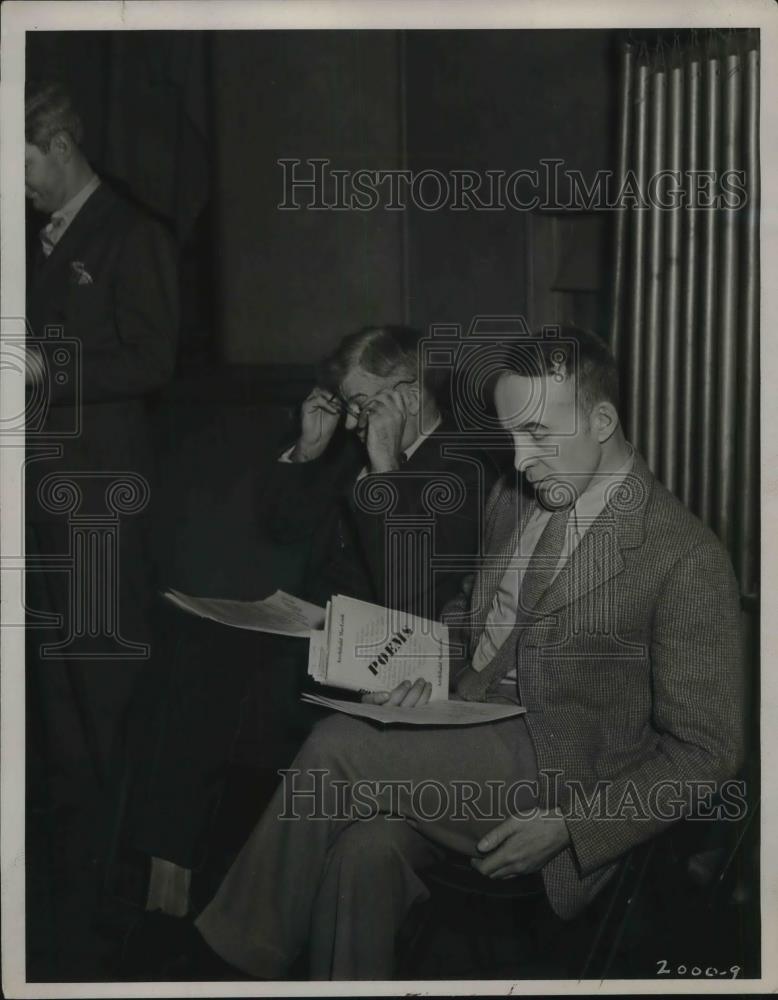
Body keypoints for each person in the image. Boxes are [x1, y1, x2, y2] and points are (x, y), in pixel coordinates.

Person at [193, 326, 745, 980]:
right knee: (363, 855)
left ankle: (225, 969)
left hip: (558, 780)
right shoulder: (519, 496)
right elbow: (467, 610)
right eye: (511, 435)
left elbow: (707, 751)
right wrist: (425, 678)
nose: (520, 456)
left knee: (337, 745)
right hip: (463, 738)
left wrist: (573, 825)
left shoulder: (684, 556)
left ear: (602, 420)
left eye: (538, 433)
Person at [124, 325, 493, 920]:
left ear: (409, 393)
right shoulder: (359, 444)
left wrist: (385, 467)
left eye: (363, 405)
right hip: (322, 629)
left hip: (394, 656)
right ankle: (171, 871)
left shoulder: (463, 468)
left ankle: (182, 882)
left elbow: (412, 598)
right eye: (351, 408)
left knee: (210, 674)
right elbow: (283, 523)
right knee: (190, 645)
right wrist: (306, 450)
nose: (354, 423)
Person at [24, 80, 178, 816]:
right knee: (58, 696)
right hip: (40, 498)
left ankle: (126, 867)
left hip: (98, 502)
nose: (13, 185)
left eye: (19, 163)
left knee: (106, 685)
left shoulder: (133, 231)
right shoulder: (30, 237)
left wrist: (41, 369)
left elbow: (153, 361)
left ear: (60, 146)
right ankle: (80, 868)